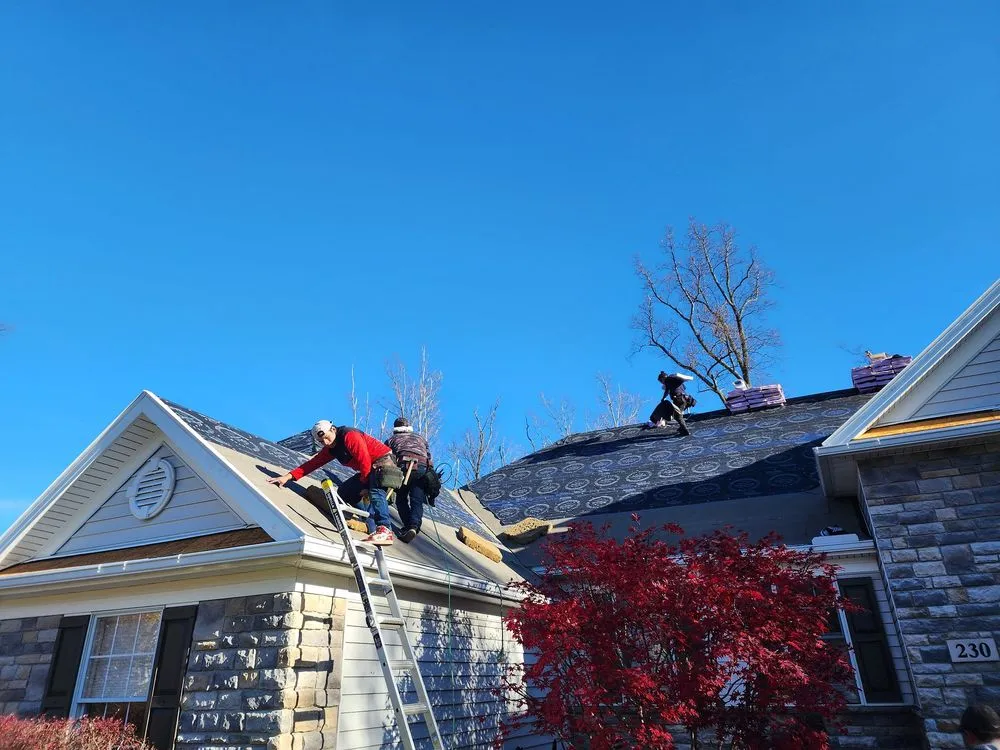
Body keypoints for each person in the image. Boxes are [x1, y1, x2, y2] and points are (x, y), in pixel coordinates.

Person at [267, 420, 395, 546]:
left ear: (333, 429)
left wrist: (365, 485)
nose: (326, 443)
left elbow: (364, 460)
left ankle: (384, 529)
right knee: (345, 492)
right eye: (321, 442)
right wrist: (288, 477)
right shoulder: (331, 449)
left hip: (383, 464)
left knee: (376, 492)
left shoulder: (350, 436)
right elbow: (313, 463)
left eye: (327, 438)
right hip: (368, 471)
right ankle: (369, 520)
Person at [386, 417, 433, 543]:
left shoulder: (391, 440)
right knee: (416, 499)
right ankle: (414, 526)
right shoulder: (420, 438)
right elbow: (428, 456)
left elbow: (387, 458)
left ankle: (408, 526)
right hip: (422, 469)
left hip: (403, 468)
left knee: (401, 498)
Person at [646, 371, 695, 436]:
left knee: (677, 415)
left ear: (663, 378)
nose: (662, 383)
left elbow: (667, 390)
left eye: (661, 381)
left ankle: (684, 430)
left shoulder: (668, 379)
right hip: (686, 400)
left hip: (679, 399)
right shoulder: (672, 381)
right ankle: (681, 428)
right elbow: (679, 387)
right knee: (677, 414)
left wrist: (663, 398)